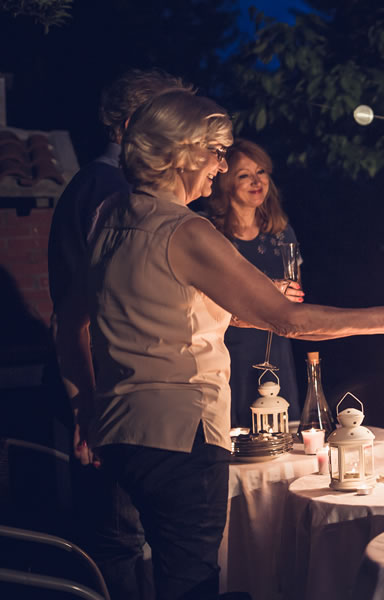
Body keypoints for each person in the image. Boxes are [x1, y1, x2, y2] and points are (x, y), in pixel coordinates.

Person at [62, 90, 384, 600]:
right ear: (183, 152)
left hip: (116, 430)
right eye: (216, 152)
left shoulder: (109, 215)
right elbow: (288, 321)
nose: (221, 167)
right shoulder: (185, 230)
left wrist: (86, 406)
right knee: (189, 583)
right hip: (181, 437)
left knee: (127, 576)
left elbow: (73, 323)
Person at [48, 68, 193, 600]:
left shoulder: (105, 188)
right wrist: (88, 407)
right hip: (112, 400)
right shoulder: (111, 195)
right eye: (174, 123)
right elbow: (81, 315)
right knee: (120, 543)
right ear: (133, 126)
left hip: (115, 401)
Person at [202, 139, 305, 429]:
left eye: (261, 172)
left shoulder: (281, 231)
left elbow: (295, 295)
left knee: (280, 428)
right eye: (244, 175)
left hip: (276, 347)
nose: (256, 181)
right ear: (225, 183)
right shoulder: (209, 231)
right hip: (231, 348)